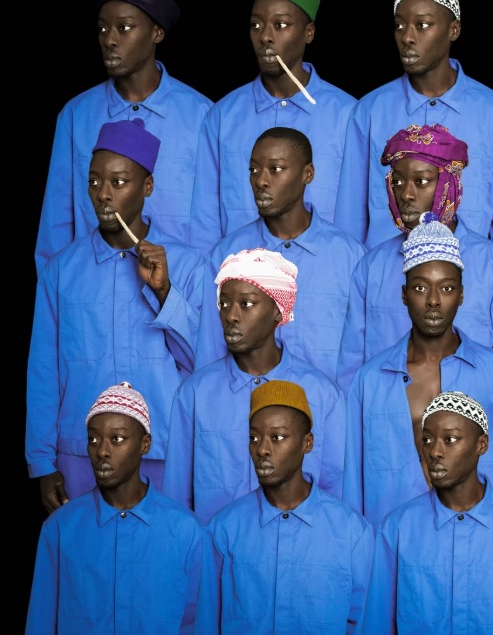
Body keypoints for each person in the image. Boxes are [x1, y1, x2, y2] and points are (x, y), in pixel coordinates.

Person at [27, 120, 206, 511]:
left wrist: (164, 292)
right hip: (81, 456)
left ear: (147, 186)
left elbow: (204, 363)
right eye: (94, 182)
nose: (104, 195)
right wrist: (42, 462)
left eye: (119, 182)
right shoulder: (62, 271)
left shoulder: (190, 266)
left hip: (164, 451)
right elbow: (44, 371)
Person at [343, 214, 493, 527]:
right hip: (394, 543)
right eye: (420, 288)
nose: (434, 301)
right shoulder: (370, 380)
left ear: (462, 295)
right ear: (404, 295)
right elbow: (353, 486)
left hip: (481, 541)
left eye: (447, 288)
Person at [36, 0, 213, 273]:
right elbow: (56, 226)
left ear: (157, 32)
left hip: (178, 288)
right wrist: (56, 291)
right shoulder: (77, 116)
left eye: (125, 27)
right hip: (93, 291)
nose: (109, 40)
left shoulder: (203, 116)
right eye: (103, 29)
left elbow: (214, 219)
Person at [336, 123, 493, 392]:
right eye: (398, 182)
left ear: (449, 183)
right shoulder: (370, 268)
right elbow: (351, 376)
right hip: (391, 415)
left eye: (422, 181)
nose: (406, 195)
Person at [163, 248, 345, 524]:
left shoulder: (323, 394)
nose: (231, 316)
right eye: (224, 304)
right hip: (216, 548)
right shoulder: (194, 394)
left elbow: (335, 494)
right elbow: (177, 502)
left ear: (277, 311)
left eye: (246, 303)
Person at [334, 0, 493, 250]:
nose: (407, 37)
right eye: (399, 25)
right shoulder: (370, 111)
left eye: (422, 25)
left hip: (467, 272)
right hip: (385, 272)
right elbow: (350, 218)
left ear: (453, 30)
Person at [190, 0, 356, 251]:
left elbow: (358, 213)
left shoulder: (348, 116)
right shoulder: (222, 116)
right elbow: (205, 221)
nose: (265, 36)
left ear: (309, 32)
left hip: (325, 273)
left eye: (280, 25)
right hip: (239, 274)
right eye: (256, 25)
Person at [366, 391, 493, 633]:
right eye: (427, 440)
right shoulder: (398, 528)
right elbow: (377, 623)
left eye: (450, 439)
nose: (435, 452)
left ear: (482, 445)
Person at [26, 383, 205, 634]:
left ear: (145, 444)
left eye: (117, 439)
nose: (102, 451)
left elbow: (199, 622)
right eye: (93, 439)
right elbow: (41, 622)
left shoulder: (187, 531)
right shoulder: (59, 528)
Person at [197, 381, 373, 634]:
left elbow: (365, 623)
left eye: (277, 437)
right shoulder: (224, 528)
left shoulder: (351, 531)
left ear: (307, 443)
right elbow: (206, 622)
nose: (262, 449)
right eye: (254, 438)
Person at [195, 127, 366, 378]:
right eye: (254, 170)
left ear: (307, 174)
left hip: (326, 401)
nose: (261, 181)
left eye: (275, 169)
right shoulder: (227, 253)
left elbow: (360, 355)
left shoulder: (350, 257)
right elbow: (211, 350)